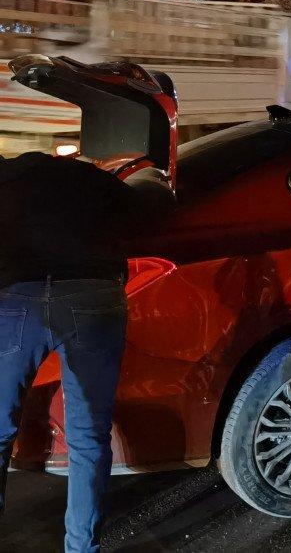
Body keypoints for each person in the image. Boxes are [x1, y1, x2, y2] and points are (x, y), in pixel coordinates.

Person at [0, 151, 172, 552]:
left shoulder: (7, 180)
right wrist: (153, 174)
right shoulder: (90, 179)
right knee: (88, 437)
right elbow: (152, 206)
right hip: (93, 295)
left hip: (16, 299)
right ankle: (81, 547)